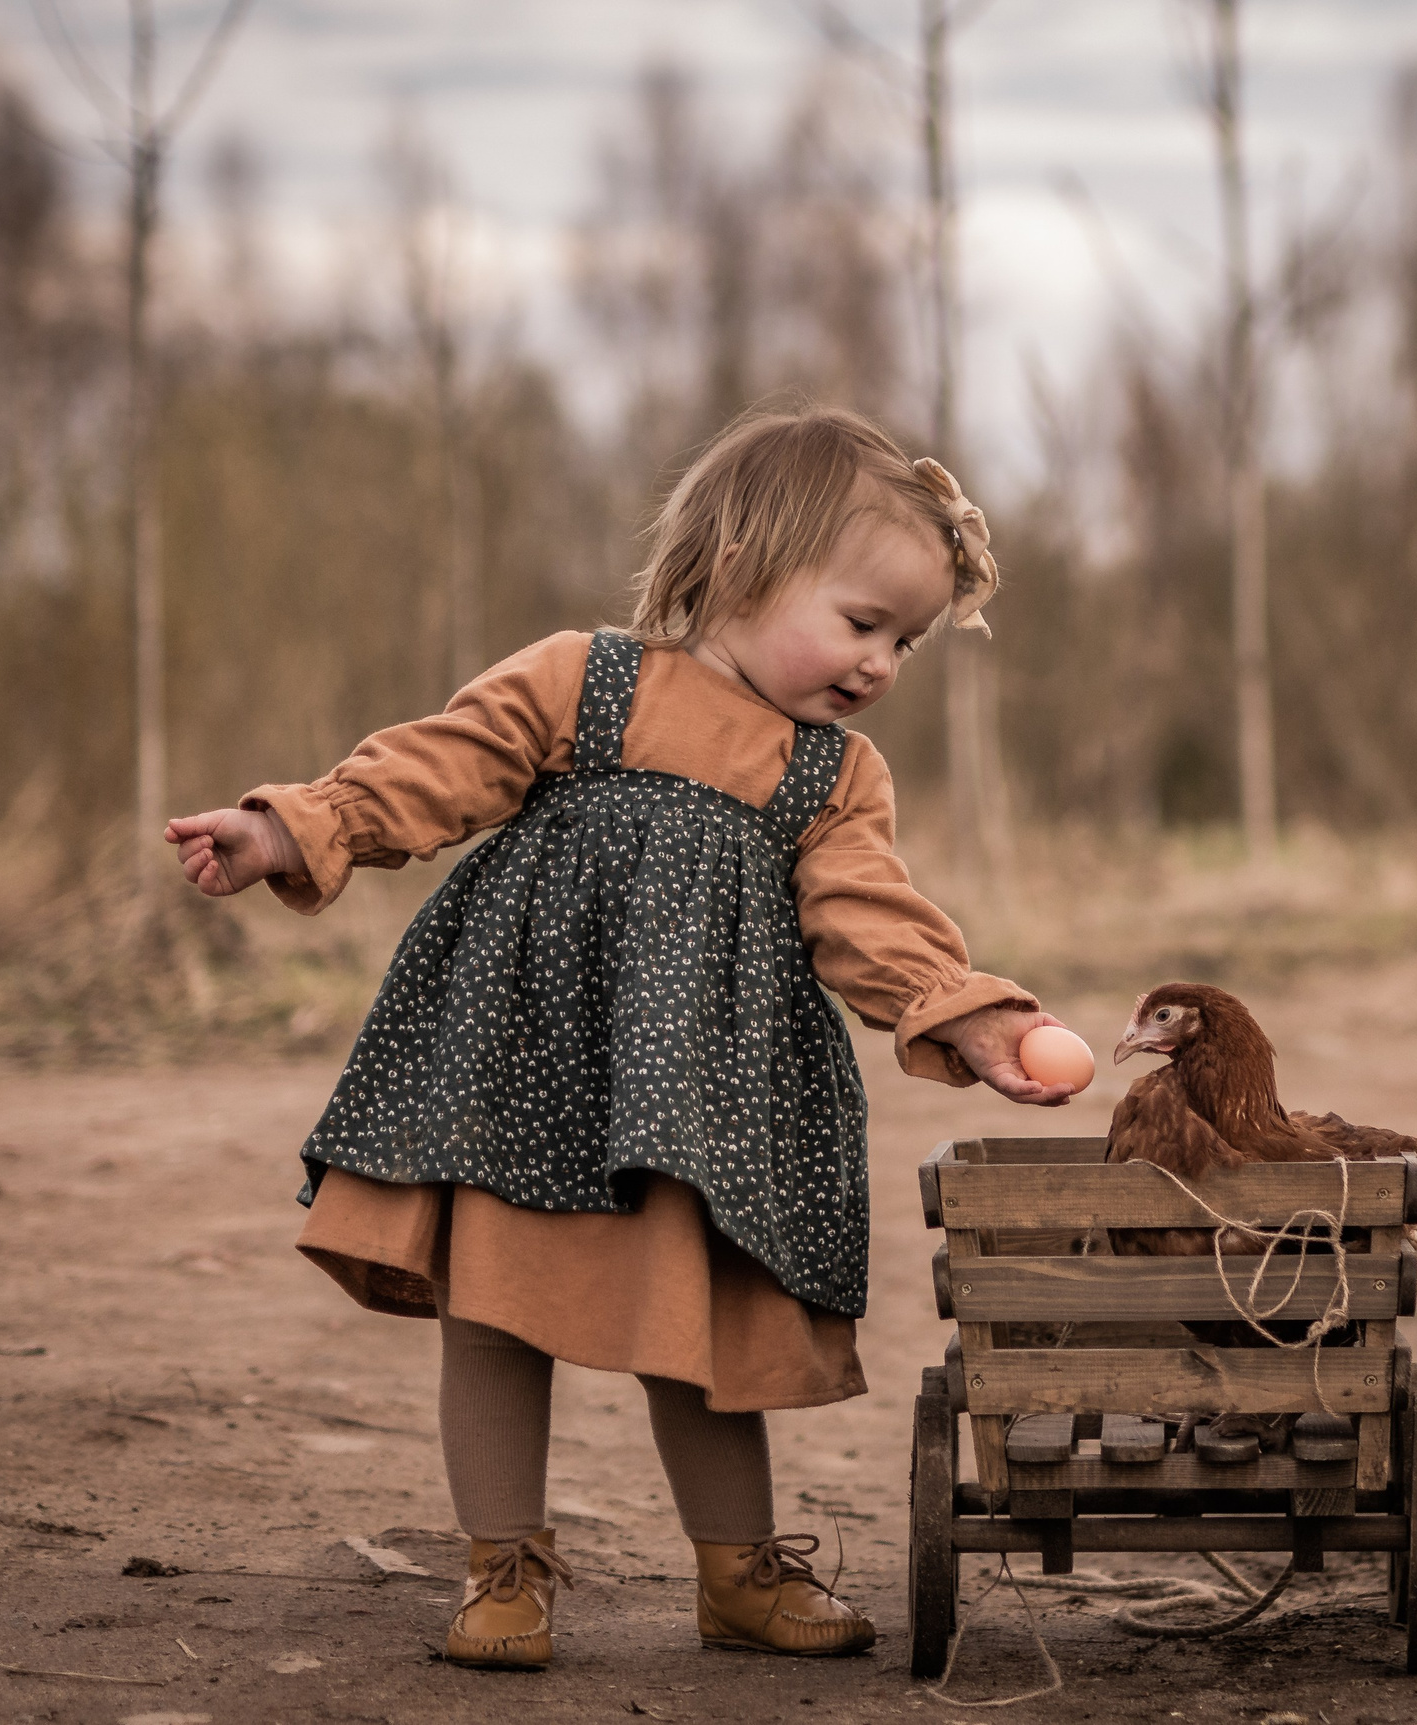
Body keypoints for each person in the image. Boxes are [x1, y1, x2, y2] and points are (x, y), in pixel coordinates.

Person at [163, 406, 1073, 1668]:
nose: (879, 662)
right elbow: (436, 769)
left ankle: (737, 1572)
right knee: (490, 1303)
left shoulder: (833, 775)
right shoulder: (582, 682)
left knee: (692, 1317)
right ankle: (504, 1570)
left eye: (905, 641)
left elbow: (871, 916)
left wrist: (971, 1017)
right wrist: (289, 827)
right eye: (862, 621)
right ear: (746, 566)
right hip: (516, 1056)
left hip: (698, 1095)